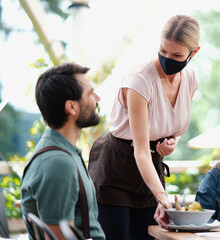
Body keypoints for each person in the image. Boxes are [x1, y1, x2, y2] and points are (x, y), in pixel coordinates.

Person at [88, 14, 200, 239]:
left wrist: (170, 142)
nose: (168, 58)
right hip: (116, 168)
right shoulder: (139, 80)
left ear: (193, 52)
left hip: (151, 170)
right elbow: (140, 149)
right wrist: (162, 196)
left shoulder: (190, 79)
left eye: (177, 54)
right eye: (163, 51)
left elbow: (173, 125)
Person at [21, 63, 105, 240]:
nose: (97, 98)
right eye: (90, 93)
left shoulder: (63, 152)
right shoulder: (58, 163)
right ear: (72, 107)